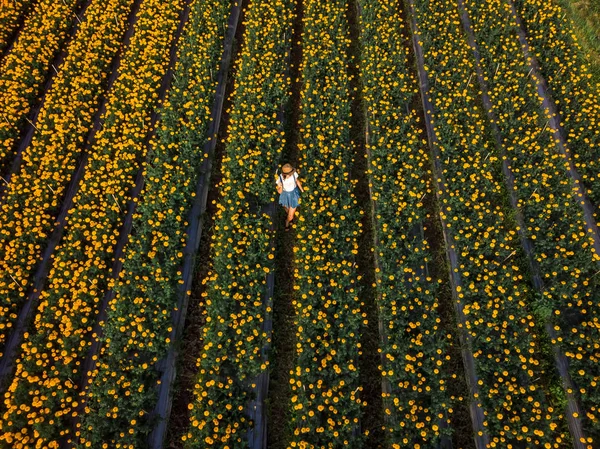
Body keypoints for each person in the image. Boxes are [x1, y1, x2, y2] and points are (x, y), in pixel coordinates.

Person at [276, 163, 304, 230]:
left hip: (294, 194)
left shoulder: (294, 174)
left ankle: (287, 222)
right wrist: (280, 186)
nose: (291, 174)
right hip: (285, 195)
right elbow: (279, 192)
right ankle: (290, 219)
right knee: (288, 210)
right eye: (290, 173)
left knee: (291, 214)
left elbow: (297, 181)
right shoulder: (280, 178)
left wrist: (302, 190)